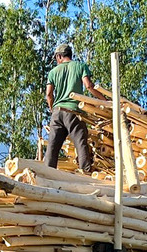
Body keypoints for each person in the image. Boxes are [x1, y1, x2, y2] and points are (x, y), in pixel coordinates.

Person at [44, 43, 105, 171]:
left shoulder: (53, 72)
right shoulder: (80, 66)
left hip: (57, 112)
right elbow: (88, 86)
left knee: (52, 148)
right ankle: (86, 173)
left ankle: (47, 175)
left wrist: (52, 109)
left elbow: (49, 94)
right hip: (74, 112)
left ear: (59, 56)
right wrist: (104, 101)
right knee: (80, 142)